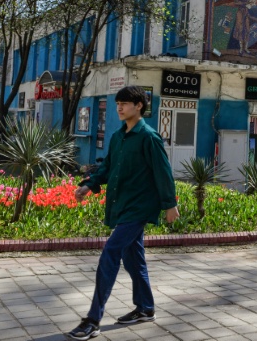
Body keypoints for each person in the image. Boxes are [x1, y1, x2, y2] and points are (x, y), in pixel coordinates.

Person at [67, 86, 180, 340]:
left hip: (139, 207)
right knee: (133, 259)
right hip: (123, 204)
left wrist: (170, 204)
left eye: (125, 103)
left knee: (110, 254)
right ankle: (146, 307)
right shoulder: (119, 136)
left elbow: (163, 172)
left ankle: (93, 319)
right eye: (118, 103)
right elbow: (108, 166)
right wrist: (89, 185)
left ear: (139, 105)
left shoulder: (149, 137)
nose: (119, 107)